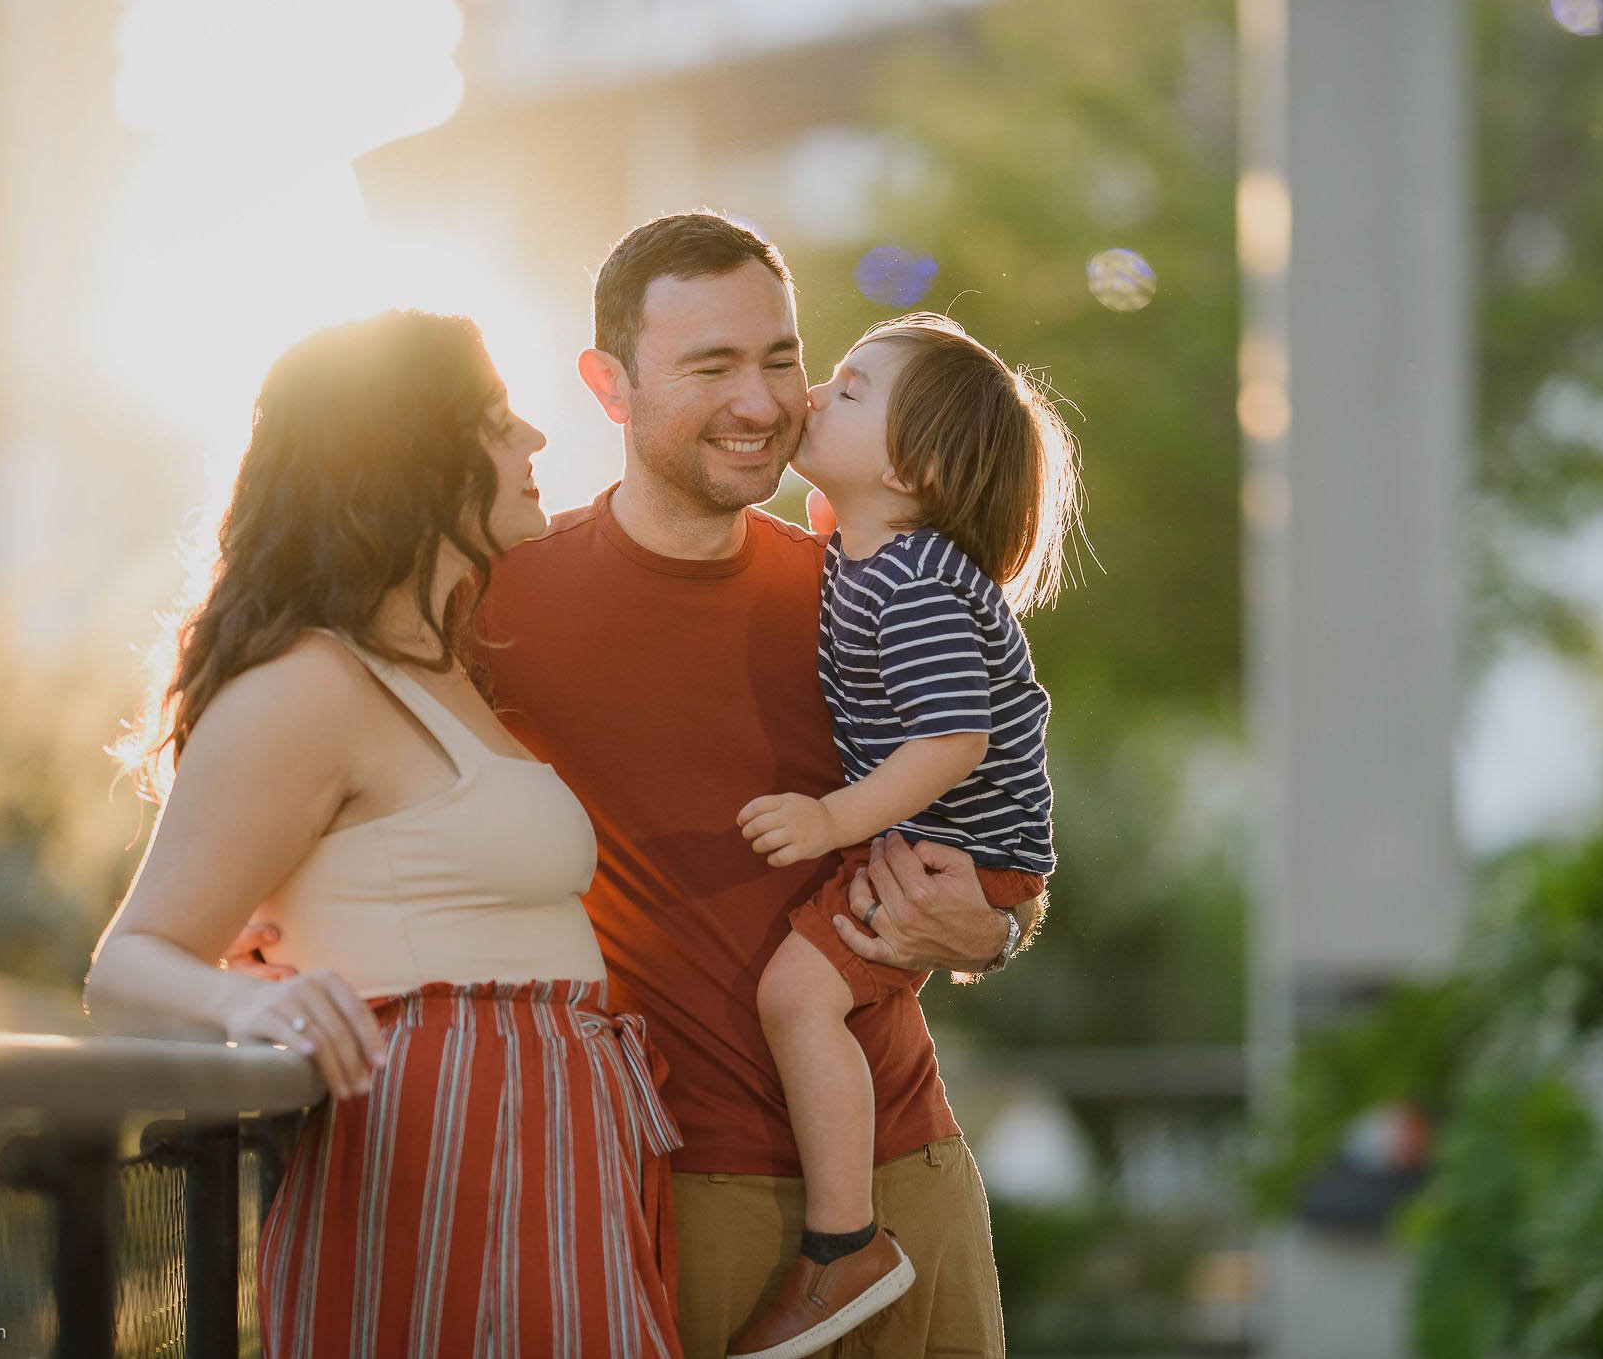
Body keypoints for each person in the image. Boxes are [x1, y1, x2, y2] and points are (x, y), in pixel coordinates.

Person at [465, 213, 1046, 1358]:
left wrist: (993, 929)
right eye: (711, 365)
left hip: (913, 1175)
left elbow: (992, 805)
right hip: (684, 1190)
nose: (762, 400)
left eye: (780, 357)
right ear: (609, 385)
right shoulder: (505, 603)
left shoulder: (860, 590)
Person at [85, 310, 683, 1359]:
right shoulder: (308, 686)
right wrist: (254, 1001)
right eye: (496, 420)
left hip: (560, 1146)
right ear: (411, 450)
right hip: (436, 1158)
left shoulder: (446, 667)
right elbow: (128, 962)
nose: (534, 440)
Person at [727, 312, 1079, 1358]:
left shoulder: (913, 577)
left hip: (960, 854)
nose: (814, 395)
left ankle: (843, 1243)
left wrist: (832, 819)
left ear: (915, 467)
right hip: (939, 843)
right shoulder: (859, 553)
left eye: (848, 388)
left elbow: (952, 738)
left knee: (796, 994)